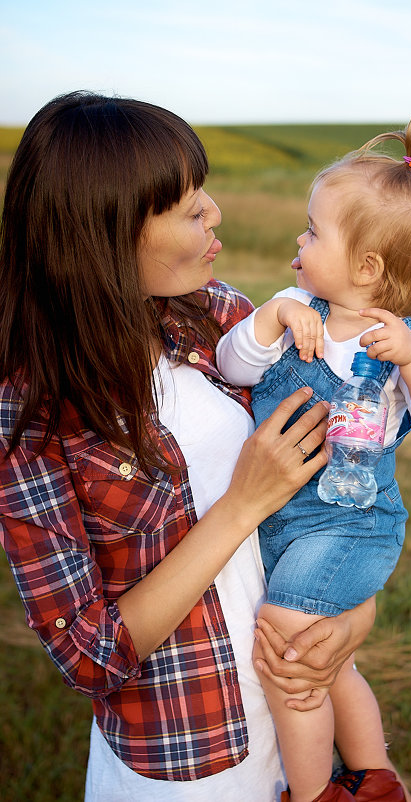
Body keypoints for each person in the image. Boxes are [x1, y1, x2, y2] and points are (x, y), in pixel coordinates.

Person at [0, 91, 382, 802]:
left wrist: (353, 614)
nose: (215, 216)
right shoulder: (31, 413)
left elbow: (353, 487)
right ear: (103, 232)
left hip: (304, 717)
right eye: (187, 207)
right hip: (192, 764)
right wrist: (241, 506)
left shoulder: (223, 318)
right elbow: (90, 654)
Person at [217, 114, 411, 802]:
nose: (297, 242)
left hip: (350, 525)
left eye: (311, 230)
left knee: (291, 653)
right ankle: (376, 778)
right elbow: (233, 367)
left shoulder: (403, 344)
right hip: (279, 520)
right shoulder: (292, 312)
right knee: (335, 667)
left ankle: (312, 793)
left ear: (365, 267)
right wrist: (268, 318)